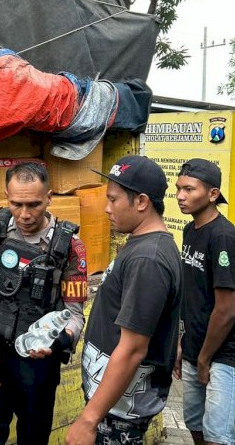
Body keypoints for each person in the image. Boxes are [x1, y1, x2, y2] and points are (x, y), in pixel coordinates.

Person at [0, 161, 87, 445]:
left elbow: (75, 314)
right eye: (16, 204)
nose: (25, 214)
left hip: (38, 369)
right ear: (6, 195)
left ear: (49, 197)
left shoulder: (70, 247)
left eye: (34, 205)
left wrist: (60, 341)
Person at [66, 155, 181, 445]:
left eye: (113, 200)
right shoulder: (143, 246)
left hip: (117, 415)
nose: (106, 208)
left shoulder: (148, 259)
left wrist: (89, 419)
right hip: (113, 404)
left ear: (141, 202)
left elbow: (132, 349)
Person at [173, 158, 235, 445]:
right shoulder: (189, 230)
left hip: (226, 352)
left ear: (212, 194)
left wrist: (206, 359)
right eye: (178, 188)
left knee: (218, 436)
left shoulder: (223, 237)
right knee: (195, 426)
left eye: (189, 190)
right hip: (197, 346)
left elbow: (226, 309)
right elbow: (192, 294)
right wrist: (183, 342)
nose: (181, 196)